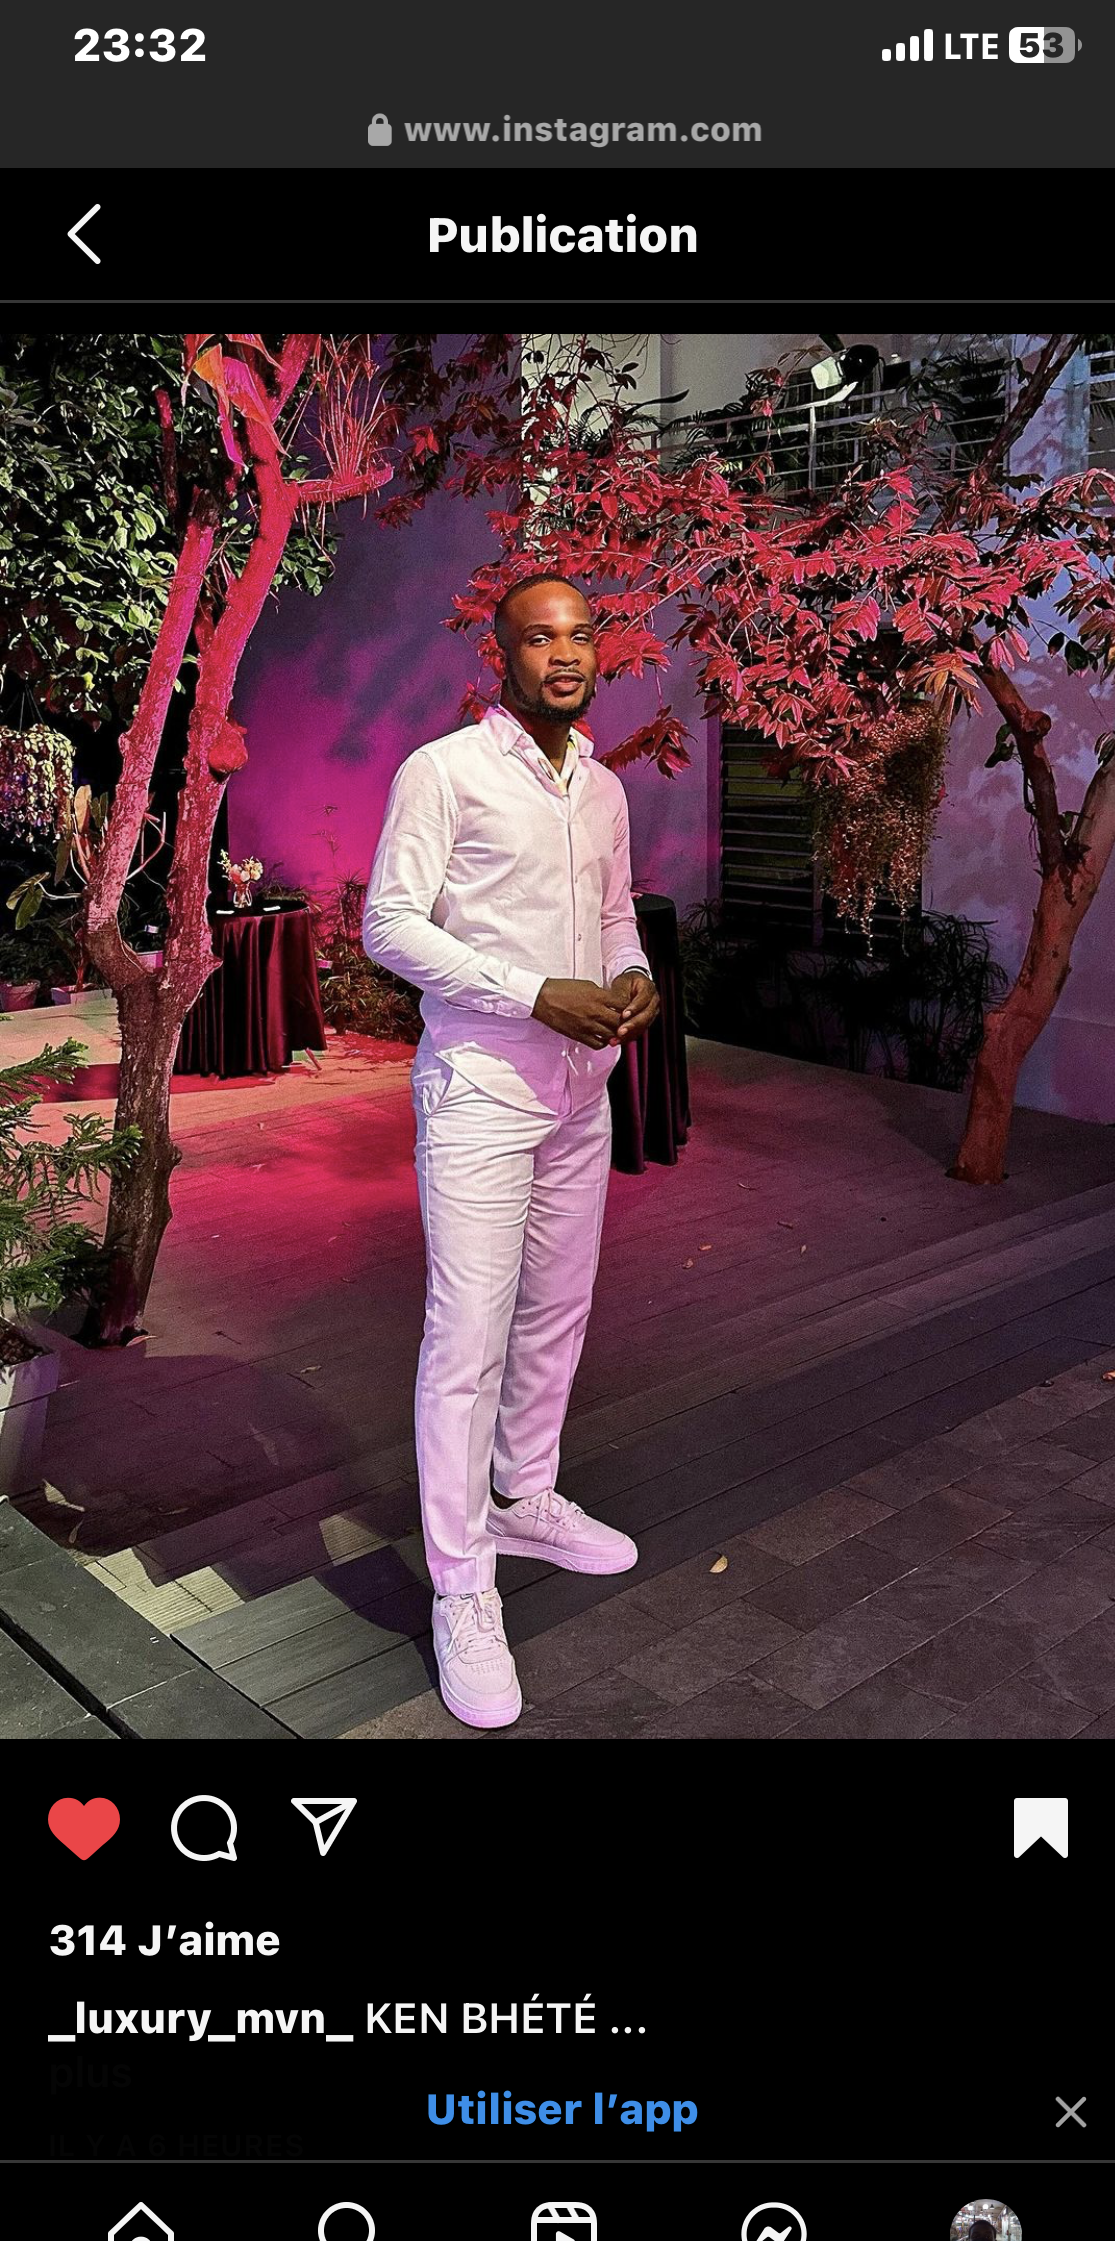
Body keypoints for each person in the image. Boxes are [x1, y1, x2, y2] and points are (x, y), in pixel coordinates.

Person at [363, 574, 661, 1730]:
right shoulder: (443, 772)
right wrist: (534, 992)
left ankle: (525, 1496)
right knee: (467, 1341)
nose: (566, 653)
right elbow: (391, 924)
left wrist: (631, 974)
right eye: (541, 637)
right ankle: (462, 1586)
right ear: (502, 654)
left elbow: (617, 912)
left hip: (582, 1091)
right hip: (483, 1090)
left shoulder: (604, 786)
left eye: (581, 634)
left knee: (557, 1311)